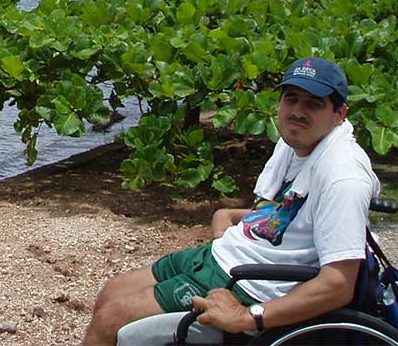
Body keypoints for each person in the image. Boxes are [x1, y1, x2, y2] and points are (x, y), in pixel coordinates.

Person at [83, 57, 380, 346]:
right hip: (224, 257)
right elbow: (291, 214)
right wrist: (231, 215)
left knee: (111, 320)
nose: (297, 112)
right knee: (111, 292)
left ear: (340, 113)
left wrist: (248, 317)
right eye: (291, 99)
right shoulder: (296, 144)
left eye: (313, 104)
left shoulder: (343, 176)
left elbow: (338, 285)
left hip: (251, 287)